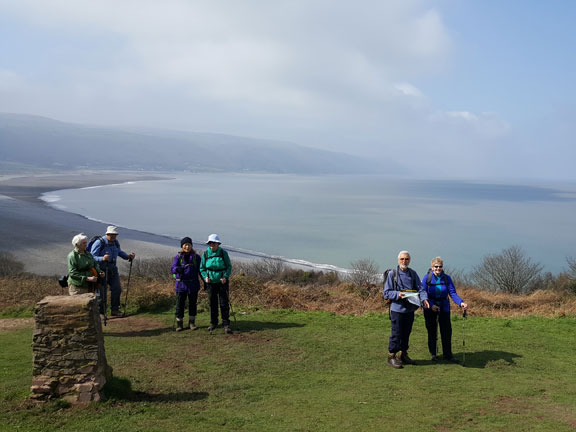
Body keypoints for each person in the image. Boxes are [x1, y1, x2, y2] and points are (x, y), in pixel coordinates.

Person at [383, 250, 429, 369]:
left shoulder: (413, 274)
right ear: (398, 260)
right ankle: (391, 357)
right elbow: (386, 293)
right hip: (397, 310)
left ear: (409, 260)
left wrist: (424, 300)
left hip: (409, 310)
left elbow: (421, 289)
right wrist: (398, 294)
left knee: (406, 333)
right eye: (402, 259)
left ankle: (403, 355)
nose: (404, 261)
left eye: (406, 259)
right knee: (396, 334)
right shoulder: (392, 274)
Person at [422, 257, 468, 363]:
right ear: (432, 267)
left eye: (440, 267)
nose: (438, 268)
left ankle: (448, 355)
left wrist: (460, 302)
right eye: (436, 266)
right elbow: (423, 293)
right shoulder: (426, 278)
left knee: (446, 332)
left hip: (444, 308)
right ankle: (433, 354)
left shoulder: (447, 278)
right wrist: (431, 305)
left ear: (442, 267)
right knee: (432, 331)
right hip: (430, 308)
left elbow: (452, 293)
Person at [90, 226, 135, 317]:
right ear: (107, 234)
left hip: (113, 269)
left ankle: (115, 310)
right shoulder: (99, 242)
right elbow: (91, 257)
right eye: (111, 235)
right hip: (101, 270)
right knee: (102, 292)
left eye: (115, 235)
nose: (113, 236)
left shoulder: (115, 243)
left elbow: (119, 252)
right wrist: (102, 258)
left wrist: (127, 256)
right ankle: (101, 313)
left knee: (117, 288)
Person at [200, 234, 233, 334]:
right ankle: (213, 323)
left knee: (224, 303)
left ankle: (226, 323)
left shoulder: (223, 253)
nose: (211, 245)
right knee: (212, 303)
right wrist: (205, 276)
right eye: (210, 243)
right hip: (210, 283)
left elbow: (229, 267)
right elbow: (202, 268)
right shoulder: (205, 254)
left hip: (222, 282)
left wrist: (225, 277)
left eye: (213, 243)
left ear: (218, 244)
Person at [171, 237, 202, 331]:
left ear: (191, 245)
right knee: (180, 305)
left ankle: (192, 323)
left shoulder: (196, 257)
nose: (187, 246)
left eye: (189, 244)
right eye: (185, 245)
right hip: (181, 285)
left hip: (193, 284)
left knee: (193, 304)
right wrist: (177, 269)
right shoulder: (178, 257)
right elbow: (172, 268)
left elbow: (200, 270)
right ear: (182, 246)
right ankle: (179, 324)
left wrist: (205, 281)